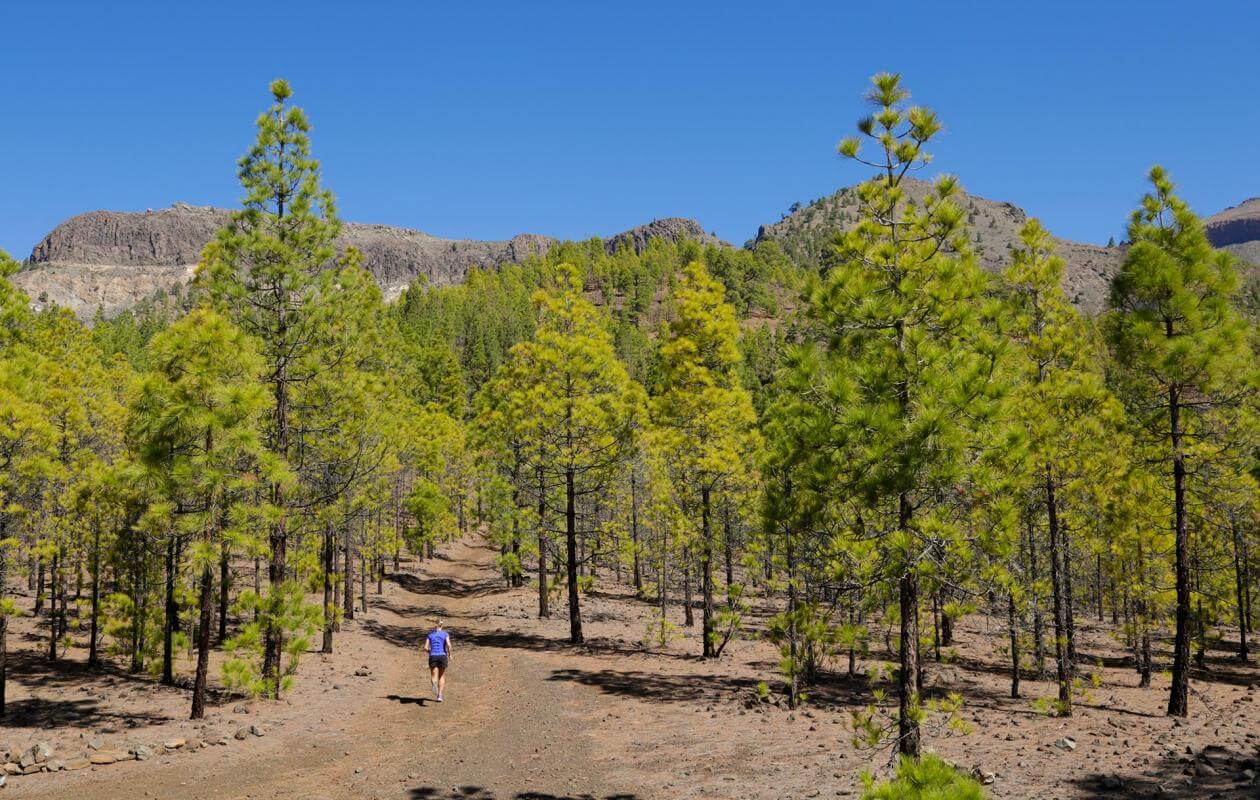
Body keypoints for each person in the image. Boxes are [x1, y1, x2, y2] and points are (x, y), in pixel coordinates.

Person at [424, 619, 452, 702]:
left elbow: (425, 648)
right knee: (442, 676)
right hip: (443, 656)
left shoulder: (430, 635)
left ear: (434, 625)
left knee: (433, 675)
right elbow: (449, 645)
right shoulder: (445, 634)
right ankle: (439, 695)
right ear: (441, 625)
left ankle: (434, 684)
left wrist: (430, 651)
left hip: (433, 656)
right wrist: (450, 654)